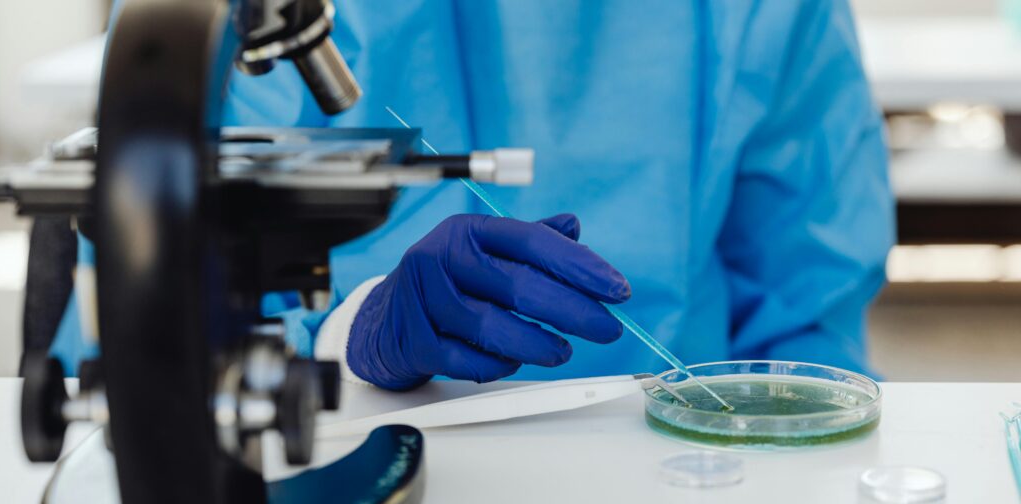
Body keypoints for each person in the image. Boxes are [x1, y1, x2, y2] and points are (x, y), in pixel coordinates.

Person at [51, 0, 894, 391]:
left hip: (673, 498)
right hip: (331, 481)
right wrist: (356, 339)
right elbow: (151, 306)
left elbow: (808, 316)